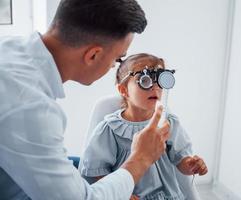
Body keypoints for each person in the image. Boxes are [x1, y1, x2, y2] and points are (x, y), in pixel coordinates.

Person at [0, 0, 171, 199]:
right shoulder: (30, 108)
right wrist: (141, 158)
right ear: (93, 55)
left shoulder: (9, 47)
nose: (113, 68)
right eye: (117, 59)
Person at [79, 53, 208, 200]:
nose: (155, 88)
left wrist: (191, 165)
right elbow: (96, 172)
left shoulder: (169, 123)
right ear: (123, 90)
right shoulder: (110, 130)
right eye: (145, 80)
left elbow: (180, 161)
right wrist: (120, 194)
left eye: (160, 80)